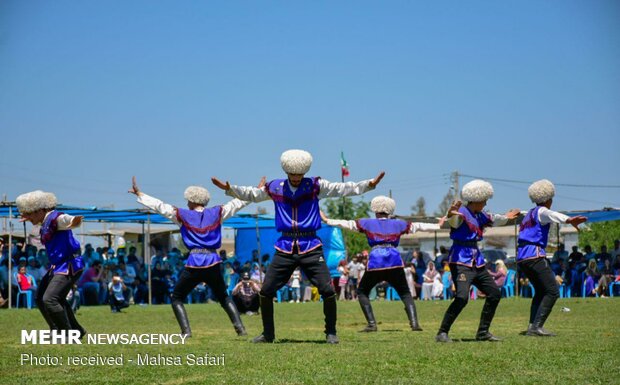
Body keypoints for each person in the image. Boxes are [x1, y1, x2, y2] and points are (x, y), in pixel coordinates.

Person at [212, 149, 384, 343]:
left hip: (310, 245)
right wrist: (229, 188)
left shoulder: (315, 185)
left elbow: (342, 189)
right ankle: (268, 335)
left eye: (299, 175)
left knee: (327, 290)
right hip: (285, 246)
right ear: (286, 172)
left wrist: (368, 185)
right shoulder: (275, 187)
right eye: (292, 175)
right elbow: (252, 194)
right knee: (265, 290)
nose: (295, 178)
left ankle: (331, 332)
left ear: (304, 172)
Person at [129, 176, 254, 337]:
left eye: (188, 200)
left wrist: (140, 194)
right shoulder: (218, 212)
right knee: (223, 296)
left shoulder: (182, 215)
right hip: (213, 261)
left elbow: (160, 207)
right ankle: (240, 329)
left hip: (195, 262)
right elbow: (237, 203)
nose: (186, 203)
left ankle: (186, 332)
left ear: (192, 201)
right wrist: (254, 192)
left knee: (177, 297)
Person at [322, 195, 440, 332]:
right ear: (390, 211)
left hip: (376, 261)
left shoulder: (367, 223)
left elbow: (347, 224)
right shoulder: (399, 223)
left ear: (375, 210)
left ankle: (372, 324)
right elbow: (419, 226)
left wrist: (327, 220)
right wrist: (438, 224)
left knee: (362, 292)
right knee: (405, 293)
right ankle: (414, 324)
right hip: (394, 260)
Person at [436, 180, 520, 343]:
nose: (486, 203)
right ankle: (442, 332)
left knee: (495, 293)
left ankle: (483, 332)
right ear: (477, 200)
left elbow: (495, 219)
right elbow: (449, 222)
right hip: (461, 261)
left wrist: (507, 217)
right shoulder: (460, 213)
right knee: (461, 298)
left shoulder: (480, 215)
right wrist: (451, 213)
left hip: (477, 262)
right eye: (484, 200)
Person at [517, 180, 587, 336]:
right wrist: (569, 220)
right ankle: (536, 327)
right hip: (534, 255)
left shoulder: (529, 213)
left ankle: (531, 326)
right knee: (553, 291)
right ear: (549, 198)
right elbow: (552, 214)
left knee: (541, 291)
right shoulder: (542, 211)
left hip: (522, 257)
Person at [16, 190, 86, 337]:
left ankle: (67, 334)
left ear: (41, 210)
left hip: (69, 264)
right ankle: (71, 330)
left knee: (50, 299)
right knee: (40, 297)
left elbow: (66, 220)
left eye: (30, 213)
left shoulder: (56, 218)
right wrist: (29, 216)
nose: (27, 217)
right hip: (58, 265)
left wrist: (74, 220)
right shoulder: (46, 220)